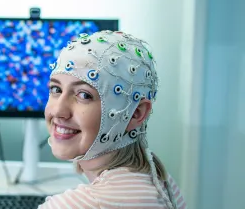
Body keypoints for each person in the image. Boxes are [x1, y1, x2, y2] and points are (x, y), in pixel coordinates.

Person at [38, 31, 187, 209]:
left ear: (135, 114)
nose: (58, 111)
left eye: (84, 95)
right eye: (56, 89)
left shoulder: (71, 206)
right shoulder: (164, 184)